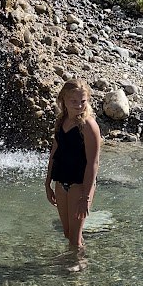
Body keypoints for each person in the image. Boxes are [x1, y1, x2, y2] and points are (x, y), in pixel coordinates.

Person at [45, 79, 101, 272]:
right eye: (74, 101)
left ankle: (79, 265)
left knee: (75, 237)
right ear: (63, 100)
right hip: (61, 182)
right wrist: (47, 182)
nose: (78, 105)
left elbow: (93, 163)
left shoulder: (88, 125)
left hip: (80, 184)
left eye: (82, 101)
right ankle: (78, 258)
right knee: (68, 233)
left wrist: (86, 197)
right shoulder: (61, 121)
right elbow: (54, 152)